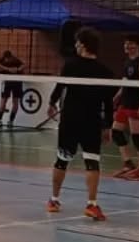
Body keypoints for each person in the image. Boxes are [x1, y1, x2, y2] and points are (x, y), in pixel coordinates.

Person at [44, 27, 116, 222]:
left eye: (77, 42)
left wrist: (51, 103)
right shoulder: (106, 73)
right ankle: (92, 205)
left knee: (62, 160)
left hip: (70, 120)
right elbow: (108, 103)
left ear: (83, 45)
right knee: (92, 162)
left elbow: (60, 87)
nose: (75, 46)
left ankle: (53, 200)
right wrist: (108, 126)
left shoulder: (70, 65)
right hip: (92, 121)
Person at [112, 36, 139, 180]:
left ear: (138, 46)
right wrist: (117, 96)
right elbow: (125, 81)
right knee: (116, 132)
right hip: (125, 102)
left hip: (136, 103)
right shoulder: (127, 61)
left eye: (130, 43)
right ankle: (128, 164)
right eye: (126, 43)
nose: (127, 46)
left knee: (137, 136)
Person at [0, 49, 25, 127]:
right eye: (6, 58)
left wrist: (18, 69)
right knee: (4, 100)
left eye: (8, 58)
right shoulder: (2, 59)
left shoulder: (16, 60)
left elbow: (24, 64)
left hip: (16, 81)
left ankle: (10, 121)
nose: (7, 60)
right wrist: (7, 69)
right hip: (7, 81)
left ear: (10, 57)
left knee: (15, 101)